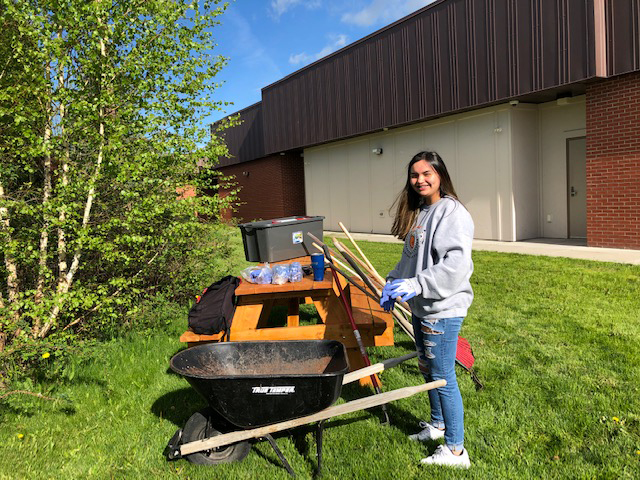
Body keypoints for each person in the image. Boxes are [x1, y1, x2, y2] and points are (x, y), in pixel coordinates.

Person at [379, 151, 474, 469]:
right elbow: (410, 260)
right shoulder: (420, 213)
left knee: (443, 376)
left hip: (443, 308)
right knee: (427, 369)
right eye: (414, 175)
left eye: (426, 173)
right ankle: (438, 426)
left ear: (440, 175)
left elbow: (456, 264)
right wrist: (392, 283)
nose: (420, 180)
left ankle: (457, 451)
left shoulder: (452, 212)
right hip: (422, 306)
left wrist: (418, 285)